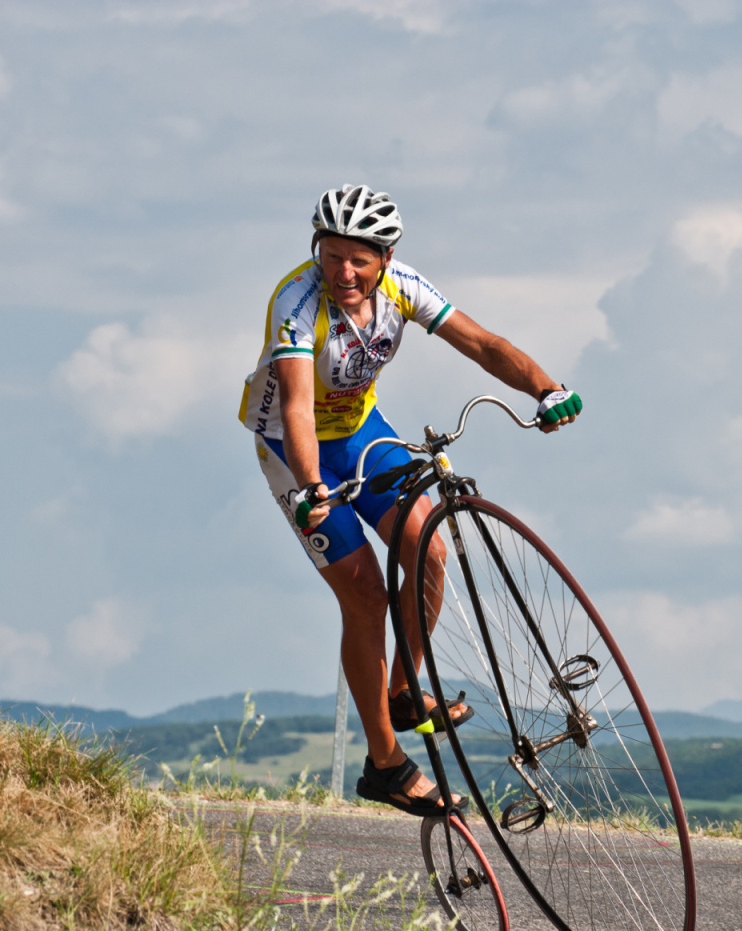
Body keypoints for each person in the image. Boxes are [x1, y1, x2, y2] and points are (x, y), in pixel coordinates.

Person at [239, 183, 582, 817]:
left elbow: (480, 344)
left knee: (427, 547)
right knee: (365, 592)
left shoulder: (404, 286)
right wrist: (313, 488)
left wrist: (545, 387)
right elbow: (295, 409)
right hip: (295, 448)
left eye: (358, 260)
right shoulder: (296, 303)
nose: (342, 272)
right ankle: (385, 761)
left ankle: (403, 690)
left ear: (386, 258)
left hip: (362, 427)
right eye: (331, 255)